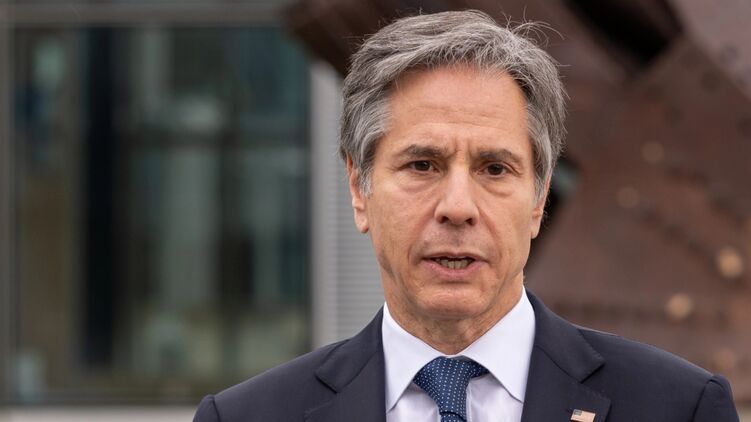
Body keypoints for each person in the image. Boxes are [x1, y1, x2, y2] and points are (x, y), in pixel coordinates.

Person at [193, 10, 739, 422]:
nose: (458, 207)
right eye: (422, 165)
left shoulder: (679, 408)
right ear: (359, 189)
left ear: (538, 199)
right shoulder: (244, 418)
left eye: (495, 169)